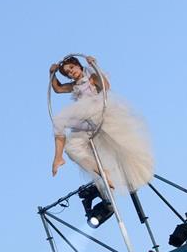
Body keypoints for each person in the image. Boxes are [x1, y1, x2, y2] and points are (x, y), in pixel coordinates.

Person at [49, 55, 154, 194]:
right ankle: (99, 171)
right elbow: (57, 88)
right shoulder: (74, 85)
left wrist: (94, 66)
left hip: (97, 113)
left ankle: (58, 158)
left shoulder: (91, 78)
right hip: (87, 122)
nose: (71, 72)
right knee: (71, 147)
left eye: (72, 68)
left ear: (79, 66)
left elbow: (106, 86)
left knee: (60, 119)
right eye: (68, 73)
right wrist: (52, 73)